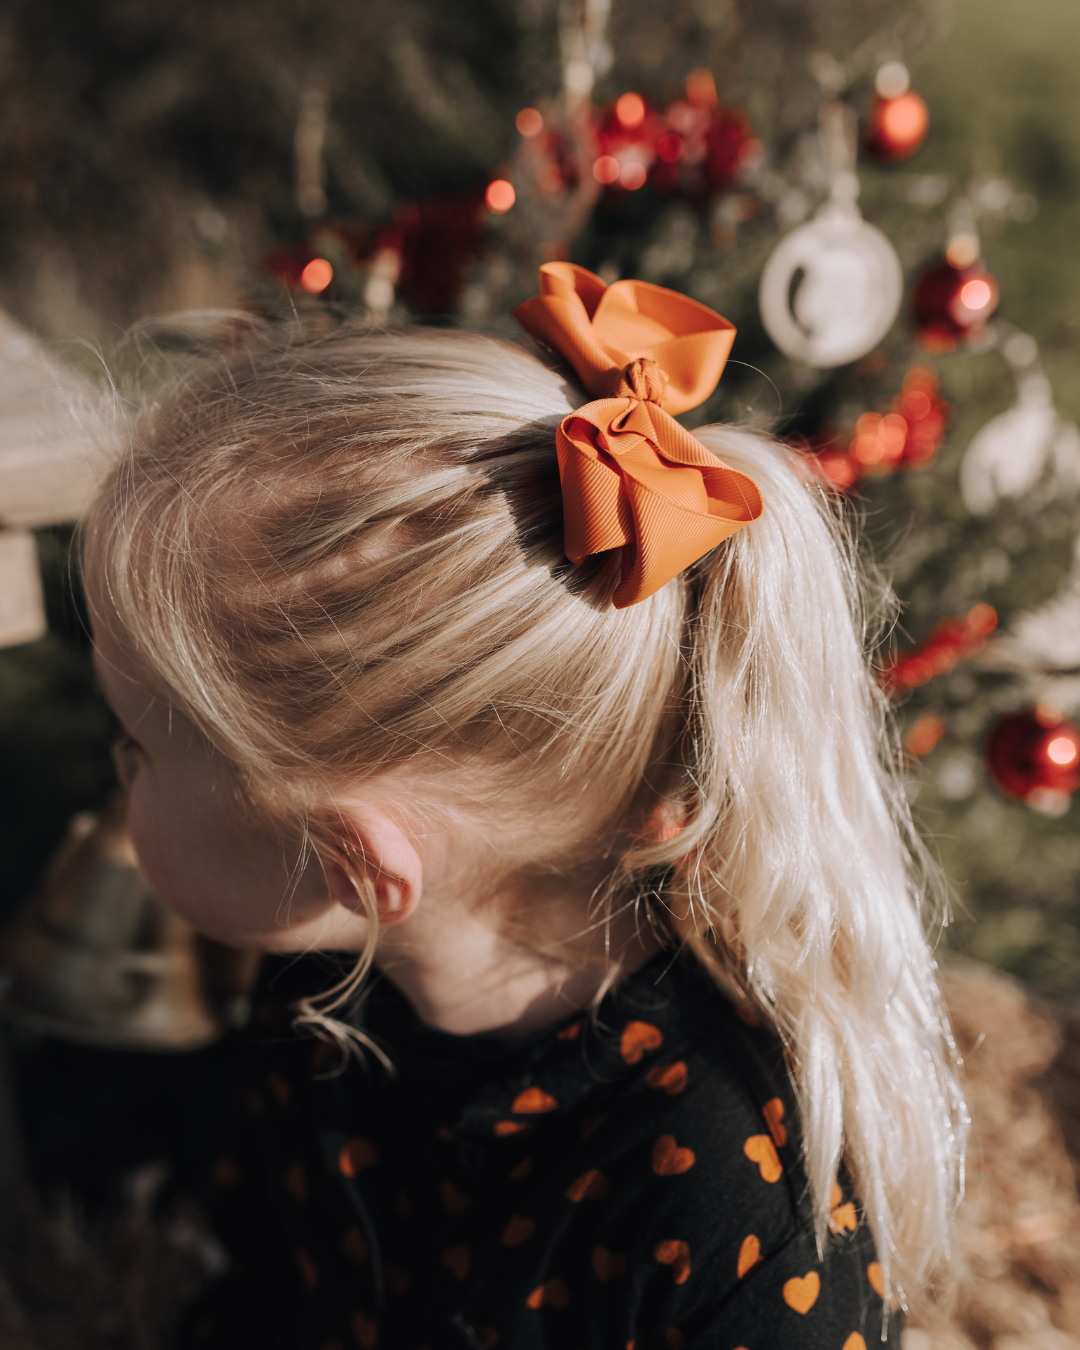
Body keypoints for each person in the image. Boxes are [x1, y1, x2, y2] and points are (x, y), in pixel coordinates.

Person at [84, 264, 965, 1350]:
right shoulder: (324, 995)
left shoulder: (728, 1211)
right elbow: (264, 1289)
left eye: (138, 740)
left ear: (356, 863)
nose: (113, 766)